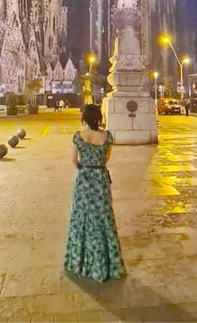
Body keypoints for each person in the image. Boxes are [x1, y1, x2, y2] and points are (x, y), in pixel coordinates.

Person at [64, 104, 125, 282]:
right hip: (100, 180)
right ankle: (105, 264)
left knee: (81, 217)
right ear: (99, 118)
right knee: (103, 218)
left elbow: (74, 160)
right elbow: (106, 158)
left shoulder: (78, 137)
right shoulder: (107, 136)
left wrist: (84, 168)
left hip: (84, 179)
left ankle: (79, 262)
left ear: (84, 118)